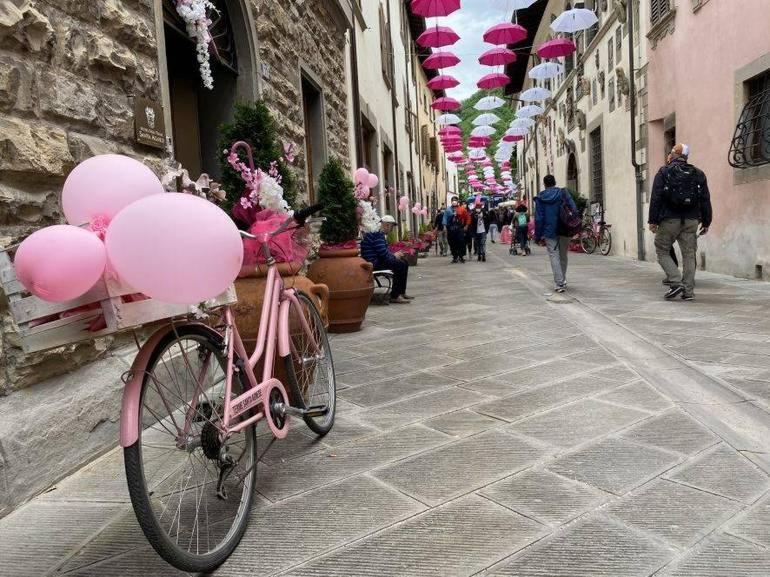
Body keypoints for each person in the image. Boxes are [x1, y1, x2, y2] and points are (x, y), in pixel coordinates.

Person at [648, 143, 712, 301]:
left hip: (669, 218)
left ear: (674, 155)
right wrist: (707, 221)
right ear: (686, 157)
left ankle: (675, 282)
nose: (668, 155)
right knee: (689, 255)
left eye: (670, 152)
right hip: (691, 220)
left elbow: (656, 197)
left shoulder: (664, 172)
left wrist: (653, 220)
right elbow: (705, 199)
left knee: (662, 249)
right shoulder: (698, 173)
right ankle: (688, 292)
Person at [534, 174, 578, 293]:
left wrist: (537, 236)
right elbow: (574, 209)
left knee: (554, 256)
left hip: (550, 231)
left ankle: (559, 283)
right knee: (563, 255)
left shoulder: (540, 198)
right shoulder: (563, 193)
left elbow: (538, 219)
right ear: (555, 182)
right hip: (565, 228)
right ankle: (562, 280)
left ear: (544, 184)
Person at [360, 215, 413, 304]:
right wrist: (394, 256)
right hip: (374, 263)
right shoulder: (377, 235)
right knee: (400, 264)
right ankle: (395, 296)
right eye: (392, 227)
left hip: (375, 261)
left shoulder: (377, 233)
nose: (391, 229)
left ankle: (401, 292)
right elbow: (383, 254)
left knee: (404, 262)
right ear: (387, 225)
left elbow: (383, 252)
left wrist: (393, 255)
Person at [443, 197, 470, 263]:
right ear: (451, 201)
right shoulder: (448, 210)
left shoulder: (462, 209)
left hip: (459, 228)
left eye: (455, 200)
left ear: (457, 201)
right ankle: (455, 257)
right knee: (452, 243)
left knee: (461, 243)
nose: (454, 201)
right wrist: (444, 227)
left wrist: (466, 225)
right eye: (453, 200)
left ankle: (461, 256)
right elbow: (445, 218)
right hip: (451, 229)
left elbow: (468, 217)